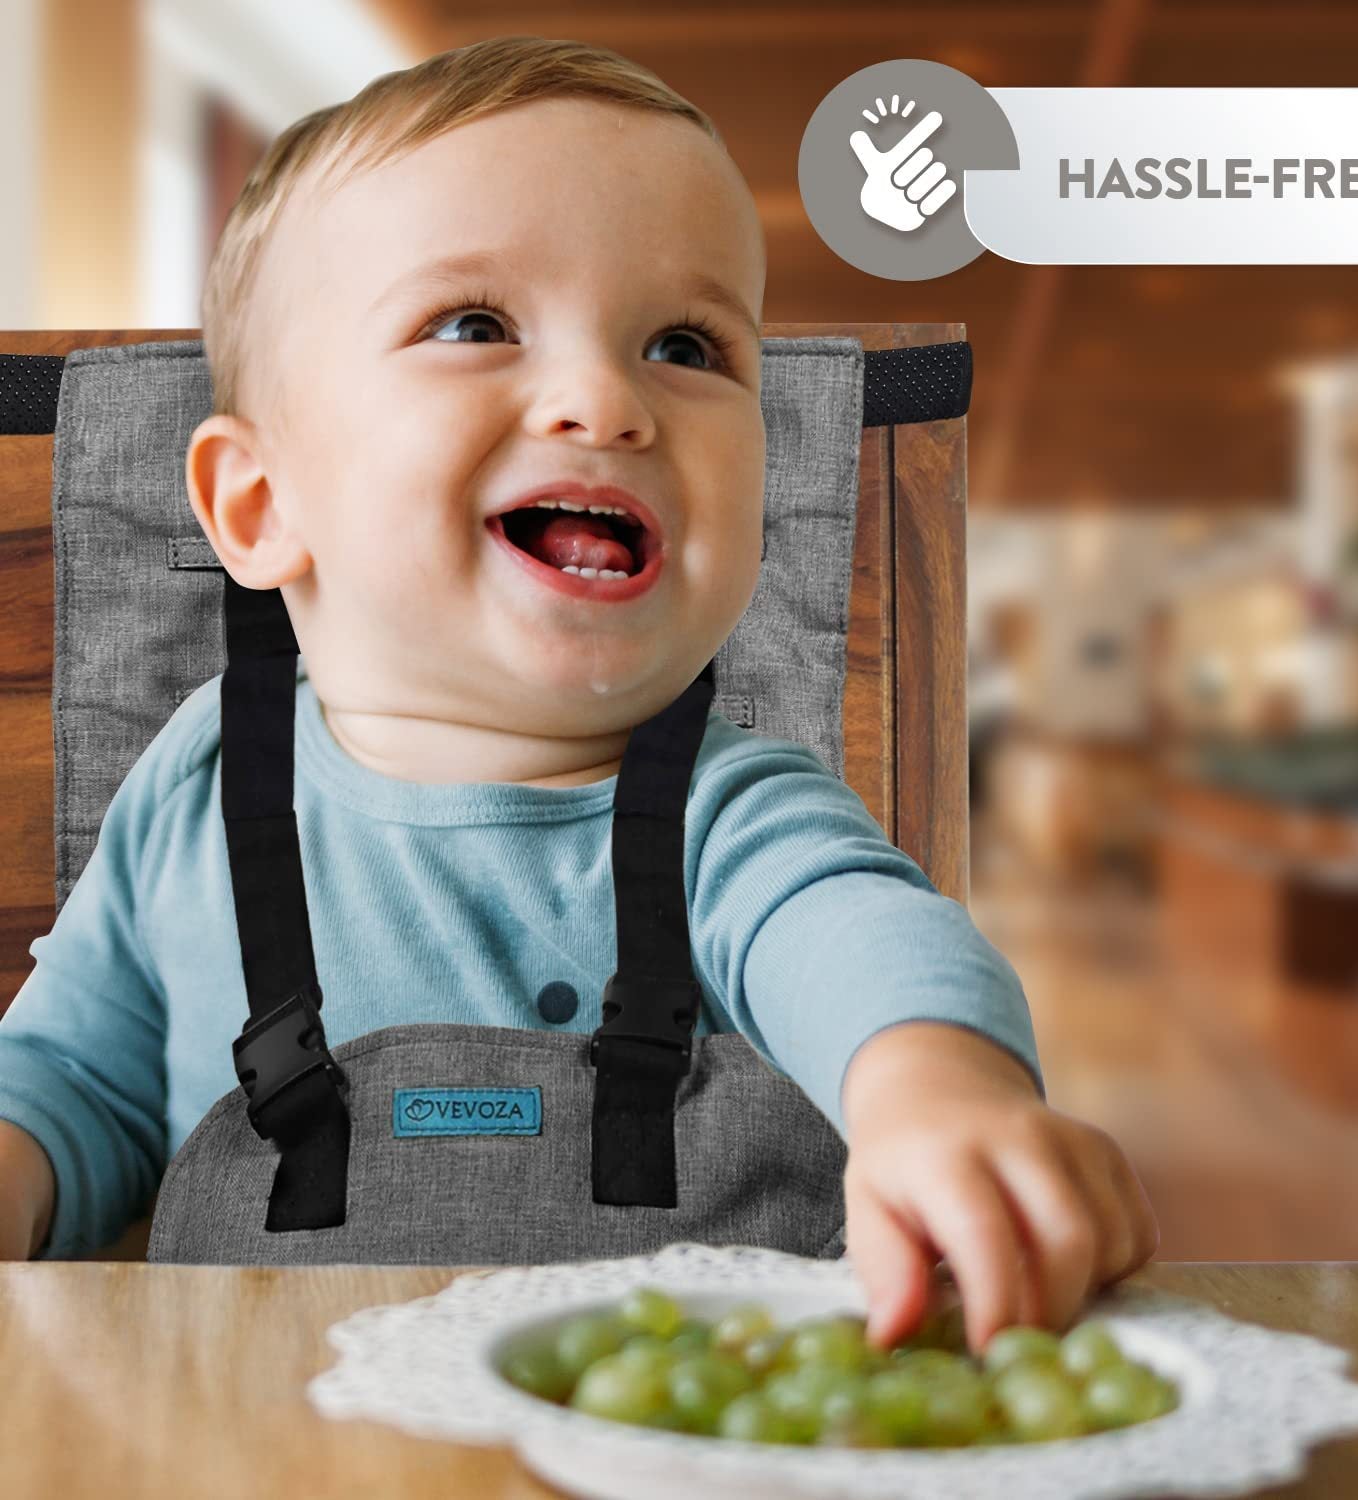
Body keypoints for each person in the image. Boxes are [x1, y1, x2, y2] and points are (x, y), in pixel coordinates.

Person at [0, 36, 1157, 1353]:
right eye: (474, 326)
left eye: (685, 345)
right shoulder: (199, 783)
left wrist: (936, 1090)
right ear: (261, 507)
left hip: (671, 1430)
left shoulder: (733, 812)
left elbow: (862, 941)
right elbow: (74, 1080)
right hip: (260, 1434)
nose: (607, 401)